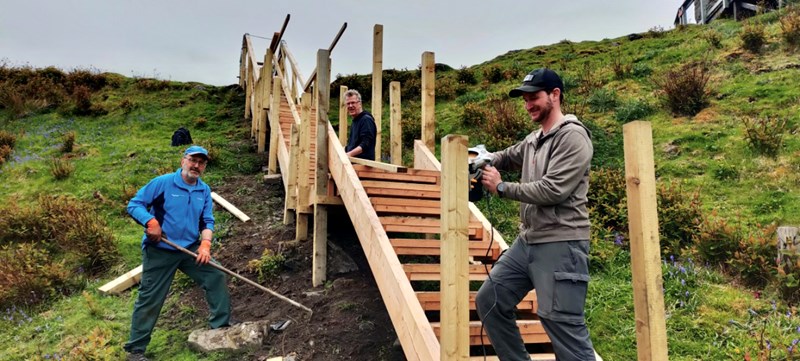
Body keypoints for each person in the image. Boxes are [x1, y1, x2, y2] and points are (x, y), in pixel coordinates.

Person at [476, 68, 595, 361]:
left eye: (534, 98)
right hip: (528, 241)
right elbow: (507, 155)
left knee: (562, 324)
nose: (528, 104)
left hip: (561, 242)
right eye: (525, 99)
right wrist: (481, 158)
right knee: (490, 299)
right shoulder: (534, 139)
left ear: (555, 95)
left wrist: (501, 187)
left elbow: (553, 190)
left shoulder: (572, 137)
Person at [123, 145, 231, 361]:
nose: (196, 165)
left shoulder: (203, 190)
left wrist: (205, 245)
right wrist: (151, 221)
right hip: (161, 250)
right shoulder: (163, 183)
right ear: (183, 161)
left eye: (201, 162)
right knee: (151, 297)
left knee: (216, 274)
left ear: (205, 166)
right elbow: (135, 204)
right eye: (193, 160)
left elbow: (207, 221)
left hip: (189, 249)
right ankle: (136, 350)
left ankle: (220, 326)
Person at [343, 89, 377, 160]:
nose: (350, 105)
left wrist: (349, 154)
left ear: (360, 103)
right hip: (355, 164)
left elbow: (366, 144)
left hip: (363, 167)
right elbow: (353, 145)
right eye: (348, 103)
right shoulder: (355, 121)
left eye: (353, 102)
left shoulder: (366, 120)